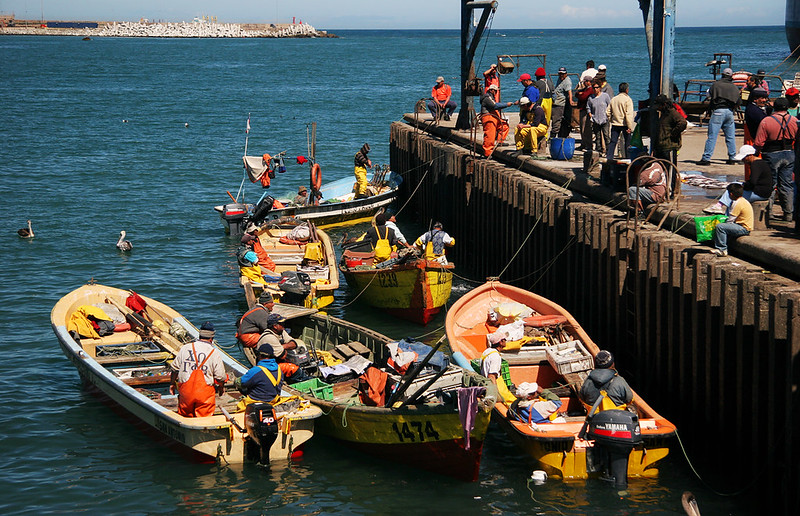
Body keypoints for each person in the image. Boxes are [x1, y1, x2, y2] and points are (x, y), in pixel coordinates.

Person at [170, 321, 226, 418]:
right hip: (205, 394)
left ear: (199, 335)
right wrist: (221, 387)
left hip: (186, 392)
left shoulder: (185, 348)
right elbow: (220, 376)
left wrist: (172, 384)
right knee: (205, 419)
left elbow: (174, 369)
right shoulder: (213, 352)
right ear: (212, 338)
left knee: (185, 416)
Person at [754, 96, 797, 222]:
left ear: (774, 107)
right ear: (787, 107)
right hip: (789, 153)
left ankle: (768, 213)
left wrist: (756, 154)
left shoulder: (766, 121)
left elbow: (759, 142)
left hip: (771, 153)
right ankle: (789, 213)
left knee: (770, 184)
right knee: (787, 184)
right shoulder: (794, 120)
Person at [703, 145, 773, 214]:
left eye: (744, 158)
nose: (743, 160)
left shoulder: (756, 165)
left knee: (733, 193)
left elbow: (753, 182)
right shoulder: (760, 162)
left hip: (760, 193)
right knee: (733, 186)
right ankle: (719, 206)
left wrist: (743, 187)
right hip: (762, 191)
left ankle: (722, 209)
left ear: (750, 155)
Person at [698, 68, 741, 165]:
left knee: (712, 136)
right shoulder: (734, 87)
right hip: (730, 112)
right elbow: (738, 101)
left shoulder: (716, 85)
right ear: (731, 76)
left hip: (718, 111)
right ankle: (732, 157)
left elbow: (708, 95)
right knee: (730, 137)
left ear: (722, 75)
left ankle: (706, 158)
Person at [711, 183, 753, 256]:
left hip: (743, 228)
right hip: (741, 225)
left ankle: (722, 249)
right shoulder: (742, 200)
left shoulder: (737, 203)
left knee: (720, 227)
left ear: (731, 194)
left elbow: (730, 220)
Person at [479, 84, 518, 158]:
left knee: (504, 126)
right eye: (496, 91)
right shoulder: (487, 98)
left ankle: (500, 141)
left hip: (493, 116)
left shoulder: (491, 97)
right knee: (490, 135)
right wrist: (506, 104)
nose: (496, 93)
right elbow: (494, 106)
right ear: (492, 90)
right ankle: (487, 153)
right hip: (488, 117)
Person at [652, 94, 688, 165]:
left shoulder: (672, 112)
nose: (658, 108)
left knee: (670, 169)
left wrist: (673, 133)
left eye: (659, 106)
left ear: (664, 104)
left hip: (669, 147)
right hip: (662, 147)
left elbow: (683, 123)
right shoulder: (664, 113)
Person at [605, 82, 635, 161]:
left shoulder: (614, 99)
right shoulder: (628, 100)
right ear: (627, 90)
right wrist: (629, 127)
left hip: (615, 124)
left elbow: (607, 112)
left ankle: (609, 158)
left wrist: (611, 119)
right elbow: (628, 115)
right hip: (624, 124)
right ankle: (628, 158)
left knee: (613, 142)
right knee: (627, 142)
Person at [587, 79, 612, 153]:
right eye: (594, 88)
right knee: (597, 137)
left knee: (606, 136)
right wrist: (590, 115)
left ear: (600, 88)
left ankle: (608, 151)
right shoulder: (591, 98)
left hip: (604, 119)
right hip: (595, 120)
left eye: (597, 87)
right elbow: (588, 107)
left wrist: (609, 115)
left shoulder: (605, 96)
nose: (595, 89)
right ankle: (599, 150)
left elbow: (609, 105)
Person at [550, 66, 573, 138]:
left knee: (556, 121)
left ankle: (552, 137)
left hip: (560, 104)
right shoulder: (560, 79)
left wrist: (570, 101)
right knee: (554, 120)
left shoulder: (567, 81)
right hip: (555, 102)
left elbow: (569, 92)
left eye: (562, 74)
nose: (561, 75)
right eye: (560, 74)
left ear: (566, 74)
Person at [575, 76, 595, 151]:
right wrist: (579, 93)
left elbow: (583, 97)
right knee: (582, 128)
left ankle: (588, 145)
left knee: (586, 129)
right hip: (582, 110)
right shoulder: (585, 89)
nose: (584, 83)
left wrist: (580, 94)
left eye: (585, 81)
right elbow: (577, 94)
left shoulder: (590, 89)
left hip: (586, 111)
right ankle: (583, 143)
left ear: (589, 81)